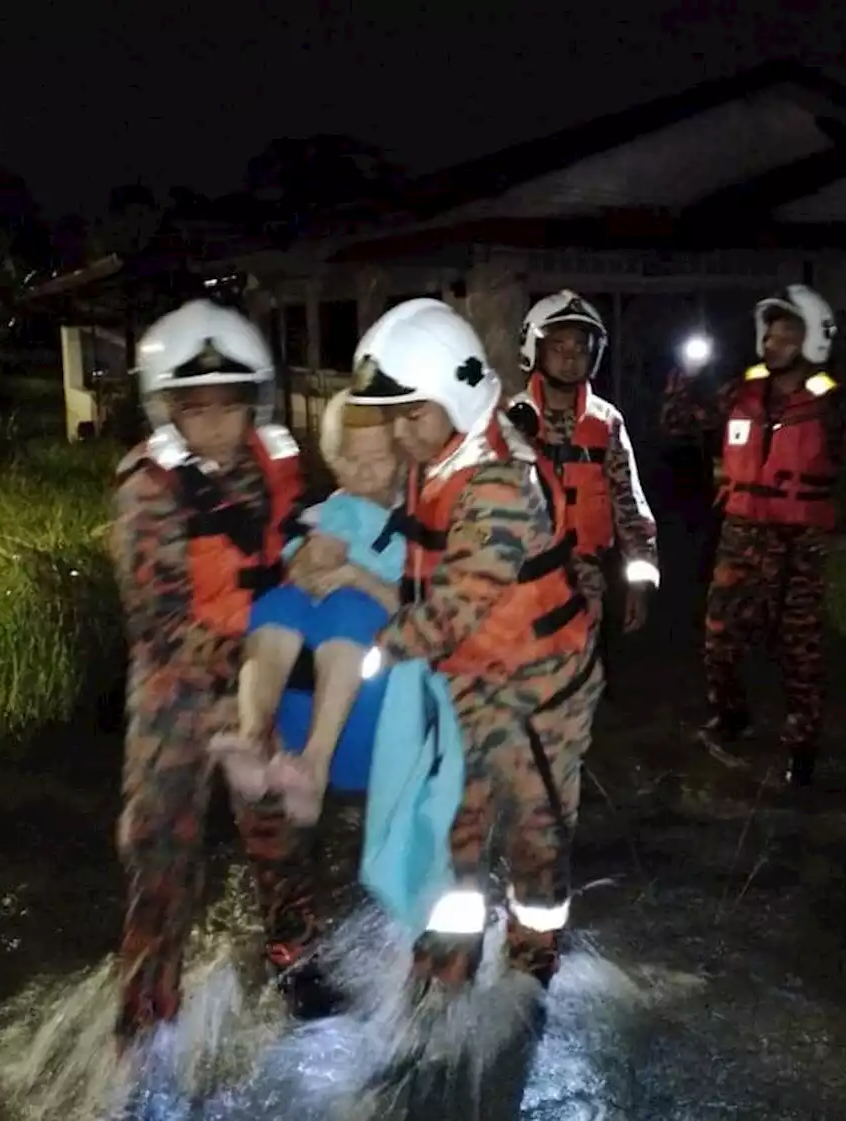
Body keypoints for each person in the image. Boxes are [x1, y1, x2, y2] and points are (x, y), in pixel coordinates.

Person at [294, 297, 602, 990]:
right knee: (456, 823)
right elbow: (405, 545)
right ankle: (447, 961)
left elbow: (455, 607)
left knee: (535, 828)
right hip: (470, 678)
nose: (400, 431)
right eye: (392, 415)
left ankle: (532, 955)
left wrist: (375, 651)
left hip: (540, 686)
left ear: (458, 394)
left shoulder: (499, 482)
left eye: (411, 412)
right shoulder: (434, 456)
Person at [108, 298, 310, 1050]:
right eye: (198, 409)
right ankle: (148, 1000)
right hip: (178, 693)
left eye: (231, 406)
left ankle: (297, 956)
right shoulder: (147, 491)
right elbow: (158, 623)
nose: (218, 424)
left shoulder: (267, 467)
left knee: (279, 829)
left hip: (258, 673)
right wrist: (258, 662)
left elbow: (289, 553)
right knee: (161, 845)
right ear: (166, 408)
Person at [659, 284, 846, 788]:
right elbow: (677, 425)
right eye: (770, 331)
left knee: (800, 650)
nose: (773, 341)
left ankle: (802, 747)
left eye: (787, 333)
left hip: (803, 542)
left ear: (811, 342)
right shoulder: (738, 393)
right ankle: (732, 717)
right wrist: (685, 378)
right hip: (742, 534)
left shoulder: (833, 407)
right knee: (719, 640)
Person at [208, 389, 405, 827]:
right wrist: (307, 563)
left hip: (369, 631)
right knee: (275, 603)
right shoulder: (324, 512)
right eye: (351, 459)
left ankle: (316, 762)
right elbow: (293, 564)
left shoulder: (413, 520)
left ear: (402, 456)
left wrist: (354, 575)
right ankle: (254, 736)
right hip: (312, 632)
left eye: (379, 458)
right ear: (334, 460)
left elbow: (415, 600)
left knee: (350, 608)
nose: (365, 471)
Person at [506, 291, 659, 637]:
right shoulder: (511, 420)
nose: (570, 358)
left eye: (580, 348)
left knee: (590, 680)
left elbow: (629, 507)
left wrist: (640, 580)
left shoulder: (606, 422)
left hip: (592, 581)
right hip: (524, 577)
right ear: (535, 349)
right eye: (559, 347)